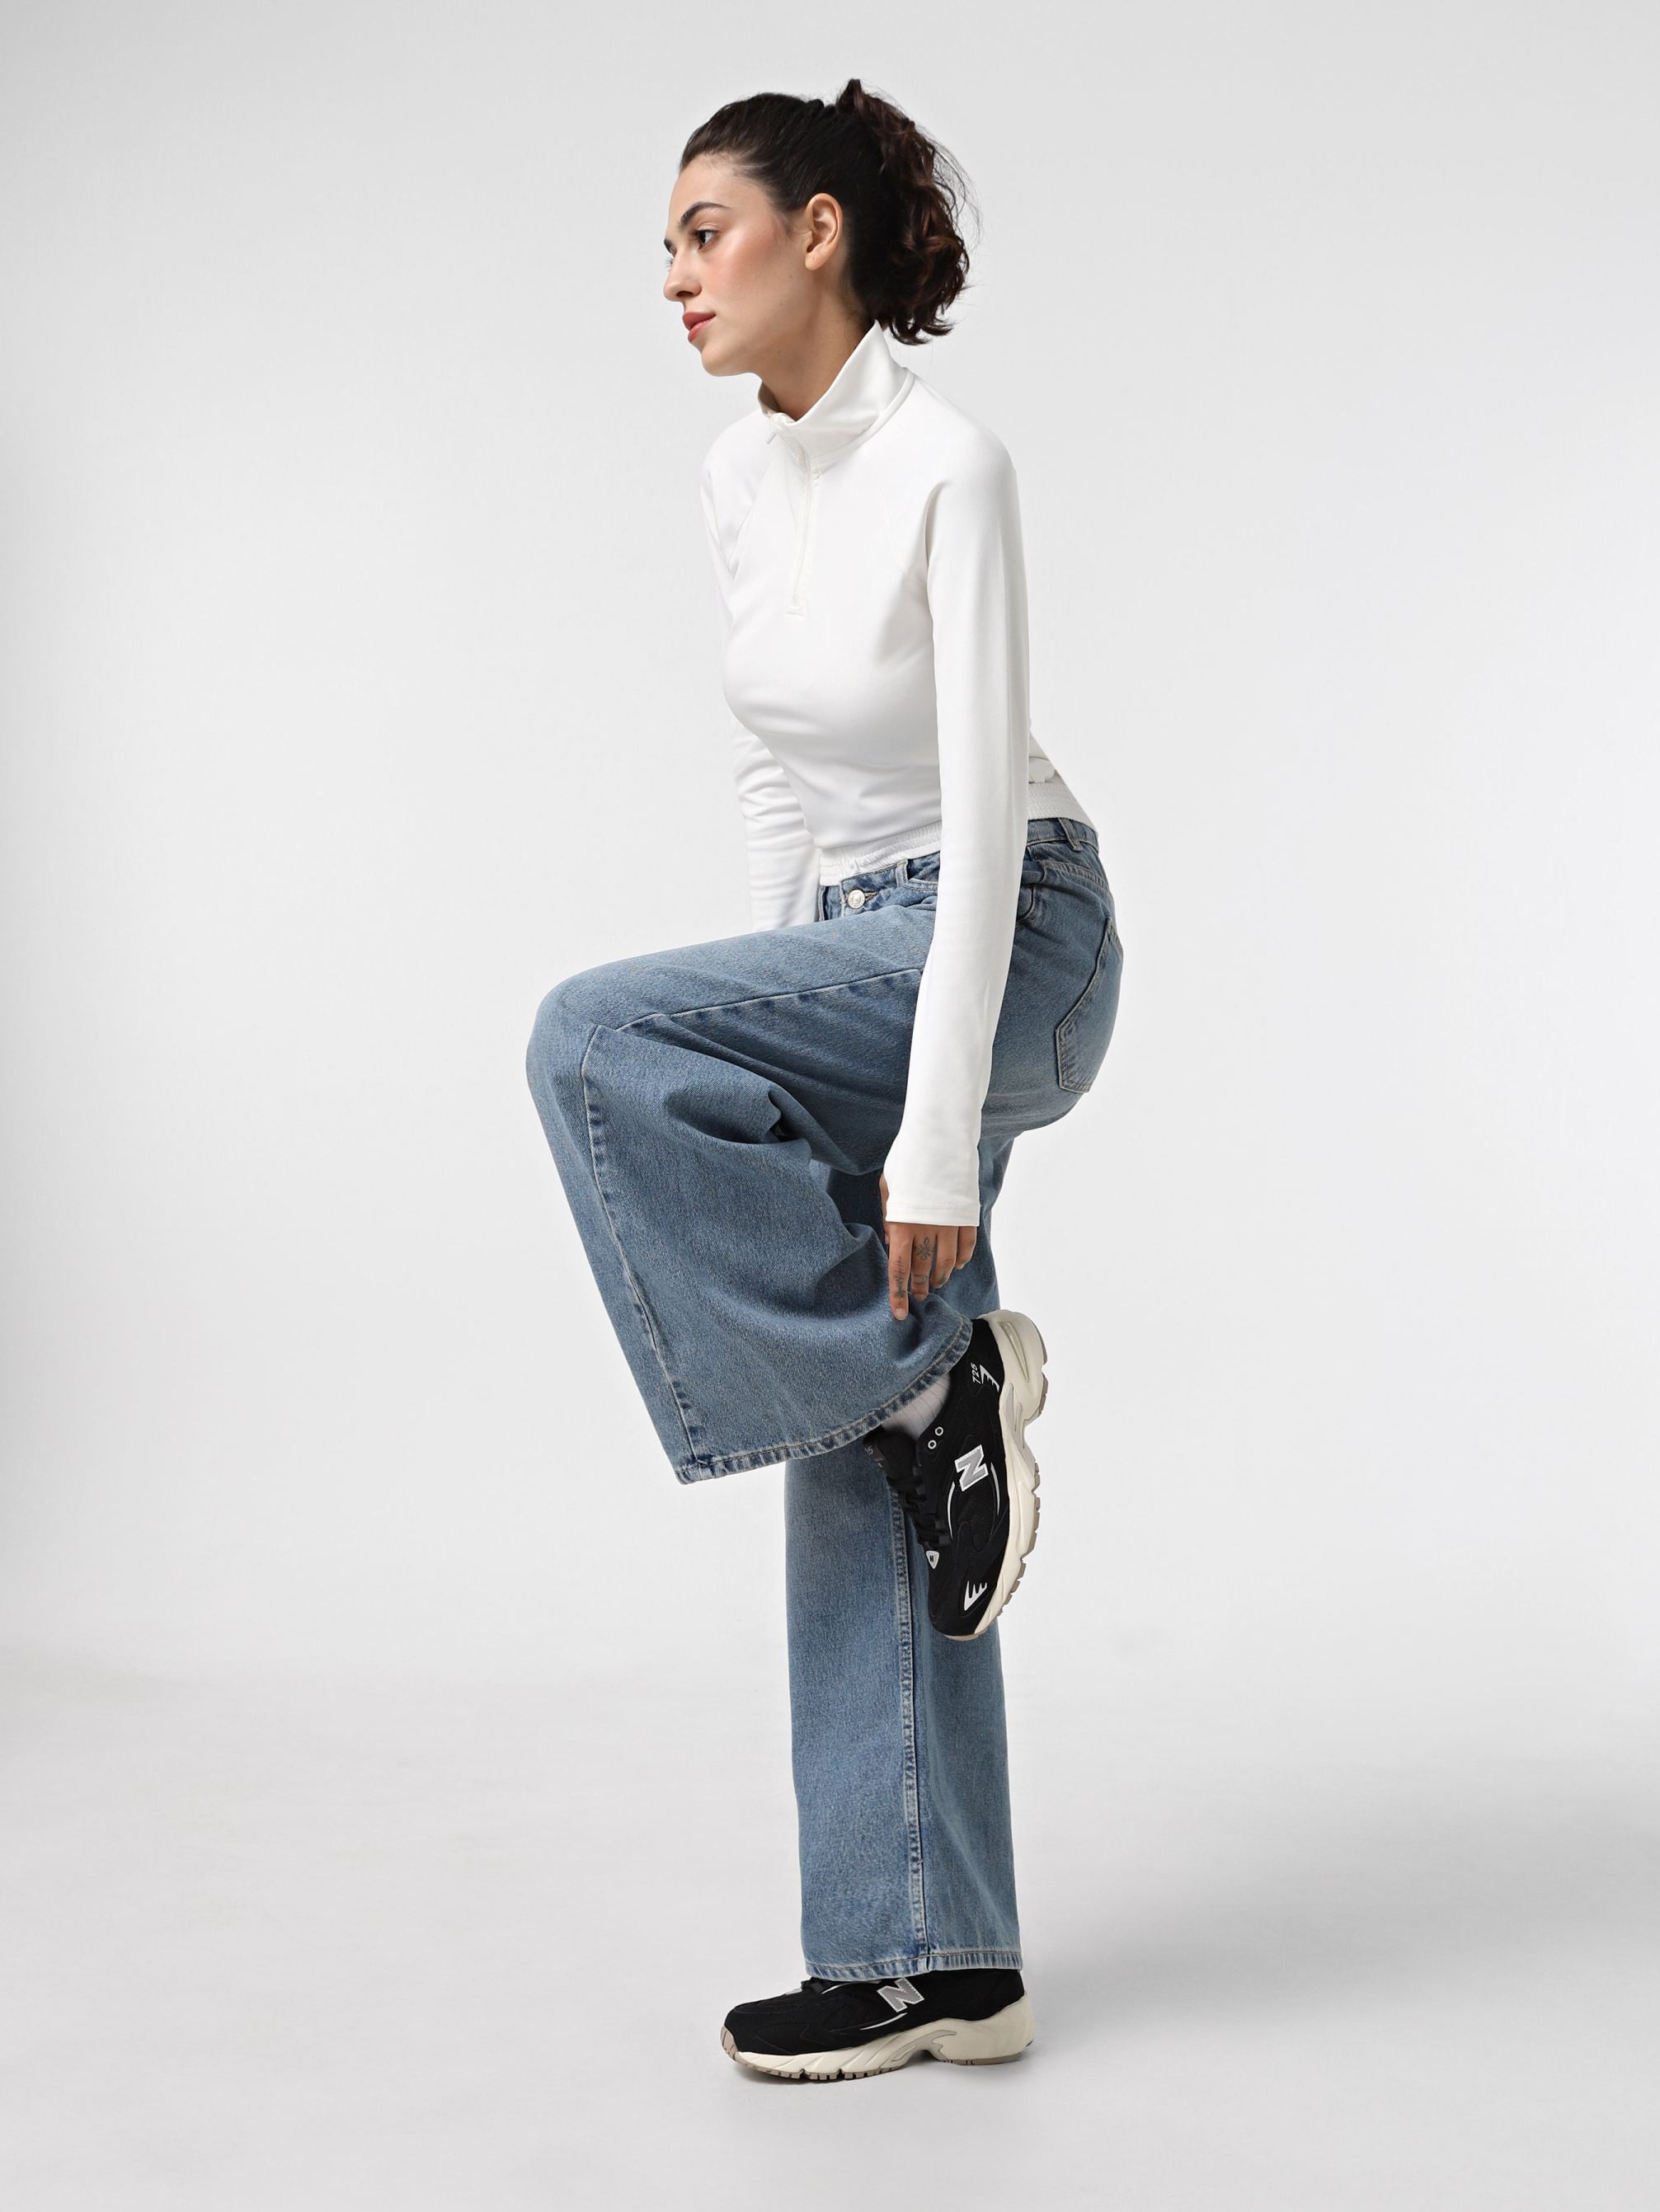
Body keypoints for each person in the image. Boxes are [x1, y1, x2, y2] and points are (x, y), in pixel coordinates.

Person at [526, 80, 1121, 2080]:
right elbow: (780, 778)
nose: (673, 277)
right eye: (665, 246)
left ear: (816, 234)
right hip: (859, 957)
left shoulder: (949, 464)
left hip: (1012, 937)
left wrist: (929, 1132)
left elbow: (975, 812)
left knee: (591, 1034)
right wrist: (773, 1012)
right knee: (857, 1434)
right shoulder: (735, 477)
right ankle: (931, 1960)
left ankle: (938, 1390)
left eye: (702, 231)